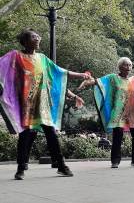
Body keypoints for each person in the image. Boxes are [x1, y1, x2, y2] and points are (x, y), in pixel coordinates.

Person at [0, 28, 90, 180]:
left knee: (51, 134)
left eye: (38, 36)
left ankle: (61, 166)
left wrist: (81, 76)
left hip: (43, 105)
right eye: (34, 37)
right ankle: (20, 169)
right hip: (26, 105)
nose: (38, 39)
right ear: (25, 41)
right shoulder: (16, 56)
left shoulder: (42, 59)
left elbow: (60, 74)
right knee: (25, 135)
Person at [78, 57, 134, 168]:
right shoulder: (113, 78)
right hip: (118, 113)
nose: (128, 67)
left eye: (130, 65)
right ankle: (115, 161)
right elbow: (98, 82)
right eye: (126, 65)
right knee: (118, 135)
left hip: (132, 112)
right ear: (120, 67)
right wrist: (88, 82)